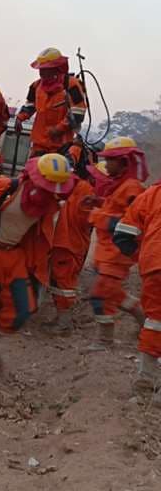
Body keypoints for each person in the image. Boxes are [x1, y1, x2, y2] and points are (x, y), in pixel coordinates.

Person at [0, 154, 75, 379]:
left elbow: (45, 238)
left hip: (15, 257)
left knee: (23, 308)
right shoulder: (6, 187)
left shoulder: (51, 205)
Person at [85, 136, 147, 351]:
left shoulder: (132, 188)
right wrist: (99, 203)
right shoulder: (120, 185)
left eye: (110, 160)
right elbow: (117, 209)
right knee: (112, 292)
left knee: (99, 294)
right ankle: (144, 322)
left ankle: (105, 341)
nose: (106, 164)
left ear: (123, 162)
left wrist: (99, 216)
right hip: (107, 252)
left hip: (117, 253)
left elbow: (135, 221)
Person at [113, 182, 161, 407]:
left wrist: (144, 254)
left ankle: (146, 380)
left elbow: (122, 235)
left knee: (155, 321)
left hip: (154, 267)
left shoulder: (152, 193)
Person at [44, 146, 100, 333]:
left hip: (69, 243)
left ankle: (64, 323)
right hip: (66, 242)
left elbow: (84, 217)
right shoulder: (78, 186)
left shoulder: (82, 189)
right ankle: (62, 319)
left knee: (63, 282)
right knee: (59, 281)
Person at [14, 48, 87, 157]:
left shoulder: (71, 85)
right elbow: (29, 106)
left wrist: (59, 129)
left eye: (46, 69)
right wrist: (20, 118)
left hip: (61, 147)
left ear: (57, 68)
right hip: (39, 145)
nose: (41, 72)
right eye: (41, 69)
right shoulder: (36, 86)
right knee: (33, 172)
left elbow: (78, 113)